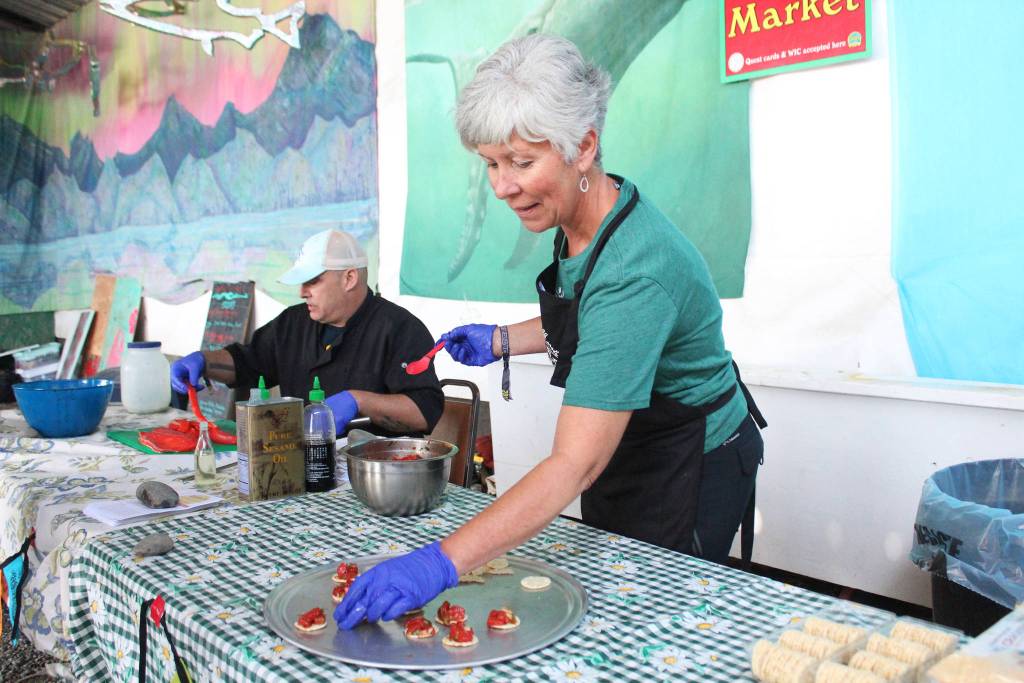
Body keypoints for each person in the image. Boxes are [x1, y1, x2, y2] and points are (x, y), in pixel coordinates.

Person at [334, 34, 766, 629]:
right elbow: (595, 321)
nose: (502, 186)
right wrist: (503, 340)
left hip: (689, 461)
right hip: (631, 445)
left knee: (656, 621)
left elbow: (573, 463)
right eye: (490, 163)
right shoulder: (585, 216)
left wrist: (439, 563)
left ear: (583, 147)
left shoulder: (638, 270)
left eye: (521, 162)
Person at [170, 228, 444, 437]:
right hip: (304, 462)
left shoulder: (399, 328)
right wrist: (205, 362)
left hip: (375, 474)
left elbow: (423, 411)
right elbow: (248, 362)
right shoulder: (294, 322)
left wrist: (359, 400)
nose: (302, 292)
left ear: (349, 278)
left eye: (313, 281)